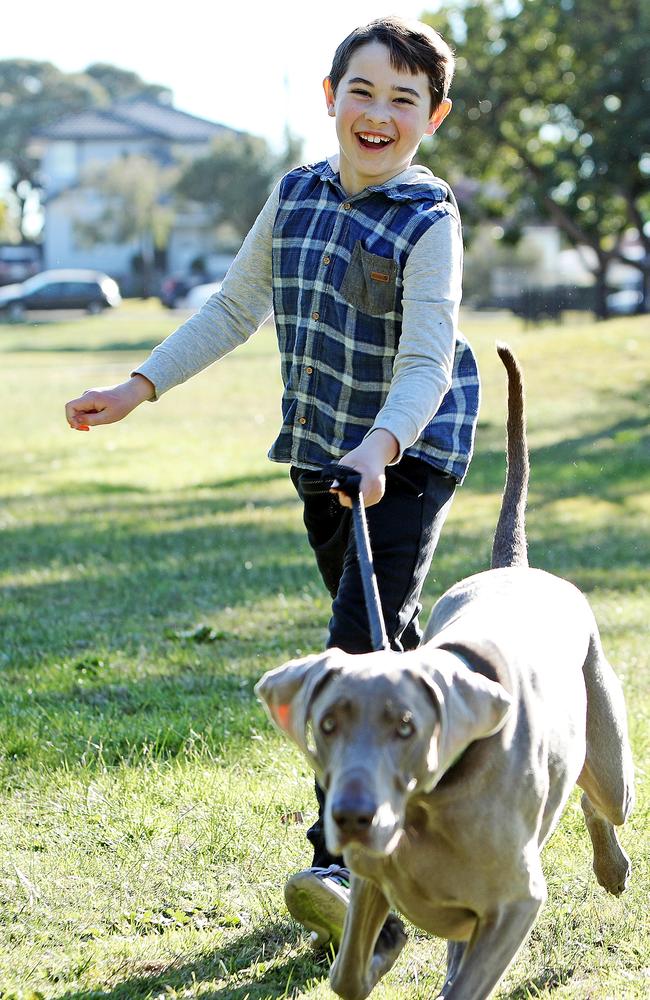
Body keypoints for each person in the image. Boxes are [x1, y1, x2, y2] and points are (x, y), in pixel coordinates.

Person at [65, 15, 480, 949]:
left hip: (407, 453)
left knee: (353, 648)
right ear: (330, 99)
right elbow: (234, 307)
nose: (379, 114)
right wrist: (139, 387)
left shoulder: (430, 219)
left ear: (434, 117)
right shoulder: (293, 194)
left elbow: (426, 361)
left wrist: (381, 448)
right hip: (323, 454)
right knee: (389, 638)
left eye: (403, 100)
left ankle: (346, 872)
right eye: (363, 92)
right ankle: (456, 791)